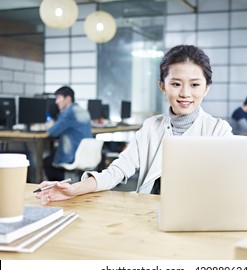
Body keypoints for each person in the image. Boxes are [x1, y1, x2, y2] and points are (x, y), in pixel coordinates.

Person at [36, 44, 233, 204]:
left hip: (198, 217)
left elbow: (227, 186)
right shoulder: (150, 127)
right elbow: (117, 171)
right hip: (148, 213)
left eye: (195, 84)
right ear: (162, 87)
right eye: (175, 84)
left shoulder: (218, 130)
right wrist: (74, 189)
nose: (185, 93)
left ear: (206, 88)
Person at [43, 86, 92, 181]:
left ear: (68, 98)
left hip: (72, 154)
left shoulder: (68, 112)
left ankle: (59, 187)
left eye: (58, 98)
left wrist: (50, 125)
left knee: (47, 162)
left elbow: (52, 132)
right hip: (85, 153)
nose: (56, 102)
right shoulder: (83, 111)